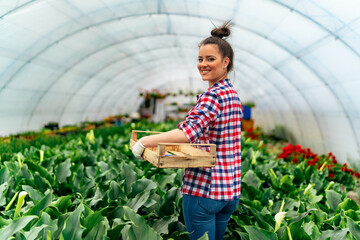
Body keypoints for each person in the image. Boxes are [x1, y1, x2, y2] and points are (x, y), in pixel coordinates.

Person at [132, 21, 242, 240]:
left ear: (225, 62)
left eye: (210, 59)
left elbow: (187, 133)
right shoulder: (232, 94)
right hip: (229, 190)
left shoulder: (213, 96)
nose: (203, 64)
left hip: (205, 189)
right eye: (200, 59)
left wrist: (145, 142)